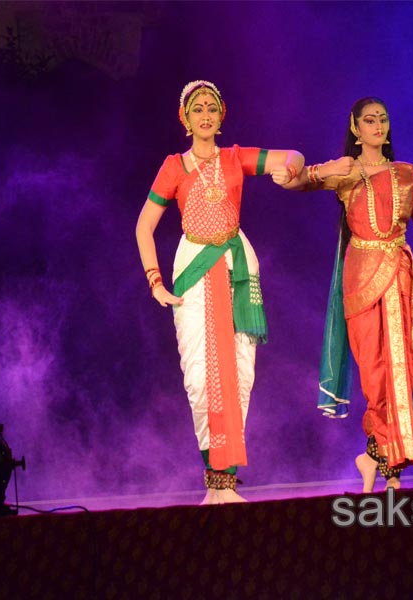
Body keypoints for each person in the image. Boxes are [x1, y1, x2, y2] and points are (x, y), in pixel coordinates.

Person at [135, 80, 304, 504]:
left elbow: (293, 156)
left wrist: (293, 170)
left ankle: (224, 485)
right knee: (200, 377)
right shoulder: (174, 166)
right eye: (197, 109)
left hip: (235, 267)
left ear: (221, 114)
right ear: (185, 118)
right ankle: (214, 483)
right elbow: (143, 227)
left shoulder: (235, 159)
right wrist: (155, 281)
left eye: (212, 107)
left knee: (240, 375)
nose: (205, 115)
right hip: (193, 268)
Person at [289, 97, 413, 493]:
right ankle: (378, 459)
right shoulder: (347, 173)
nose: (378, 125)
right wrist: (314, 168)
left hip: (402, 279)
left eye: (383, 119)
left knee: (402, 369)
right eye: (369, 120)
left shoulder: (407, 173)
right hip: (359, 278)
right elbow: (296, 181)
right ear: (355, 128)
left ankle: (383, 465)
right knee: (375, 375)